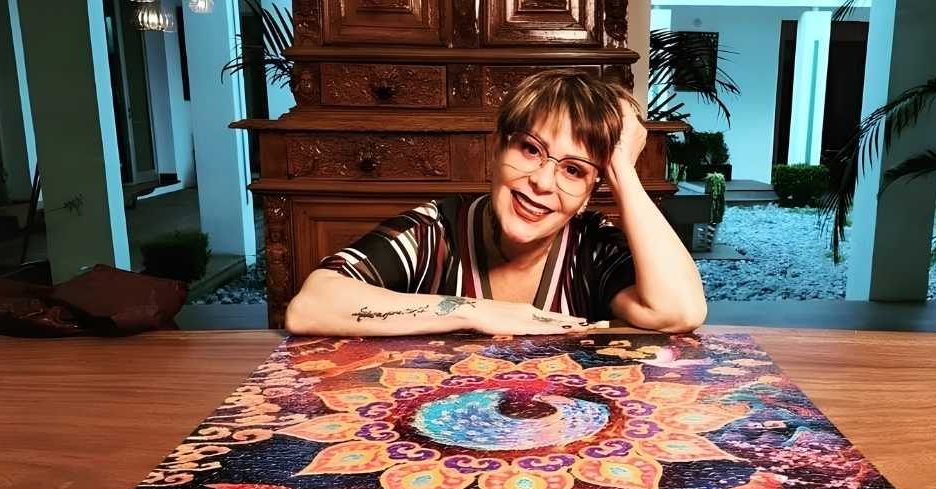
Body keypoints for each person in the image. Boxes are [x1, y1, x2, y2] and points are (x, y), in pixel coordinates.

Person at [286, 69, 707, 337]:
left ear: (588, 197)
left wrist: (623, 171)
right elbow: (311, 306)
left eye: (574, 170)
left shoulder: (590, 246)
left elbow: (679, 311)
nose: (541, 180)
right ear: (497, 149)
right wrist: (476, 312)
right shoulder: (437, 230)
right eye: (530, 149)